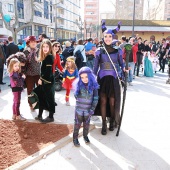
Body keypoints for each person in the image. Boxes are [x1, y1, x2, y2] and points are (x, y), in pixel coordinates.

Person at [93, 20, 124, 135]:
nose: (107, 38)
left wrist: (124, 70)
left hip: (114, 79)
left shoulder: (118, 51)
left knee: (112, 102)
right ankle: (104, 124)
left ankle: (112, 121)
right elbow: (95, 67)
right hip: (102, 79)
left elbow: (122, 64)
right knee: (103, 101)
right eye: (105, 36)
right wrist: (92, 80)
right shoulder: (99, 51)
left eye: (109, 36)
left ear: (113, 37)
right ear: (103, 37)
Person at [73, 67, 99, 147]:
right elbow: (75, 95)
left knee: (86, 125)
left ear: (90, 76)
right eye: (82, 77)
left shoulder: (94, 87)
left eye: (86, 77)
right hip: (79, 110)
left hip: (88, 110)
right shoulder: (79, 85)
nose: (84, 79)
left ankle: (85, 136)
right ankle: (75, 138)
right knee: (77, 124)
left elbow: (95, 99)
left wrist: (92, 109)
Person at [35, 39, 55, 123]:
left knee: (49, 99)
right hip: (45, 81)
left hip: (47, 82)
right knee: (41, 98)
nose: (45, 48)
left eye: (47, 46)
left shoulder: (49, 57)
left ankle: (51, 117)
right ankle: (40, 115)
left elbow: (48, 71)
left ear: (50, 47)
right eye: (43, 47)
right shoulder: (45, 57)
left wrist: (41, 79)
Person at [23, 36, 41, 111]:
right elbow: (23, 63)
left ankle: (41, 104)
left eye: (35, 41)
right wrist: (23, 73)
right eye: (32, 42)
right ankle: (31, 105)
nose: (33, 43)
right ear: (28, 43)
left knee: (40, 89)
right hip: (29, 74)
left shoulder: (39, 51)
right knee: (30, 90)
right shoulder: (25, 52)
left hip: (38, 74)